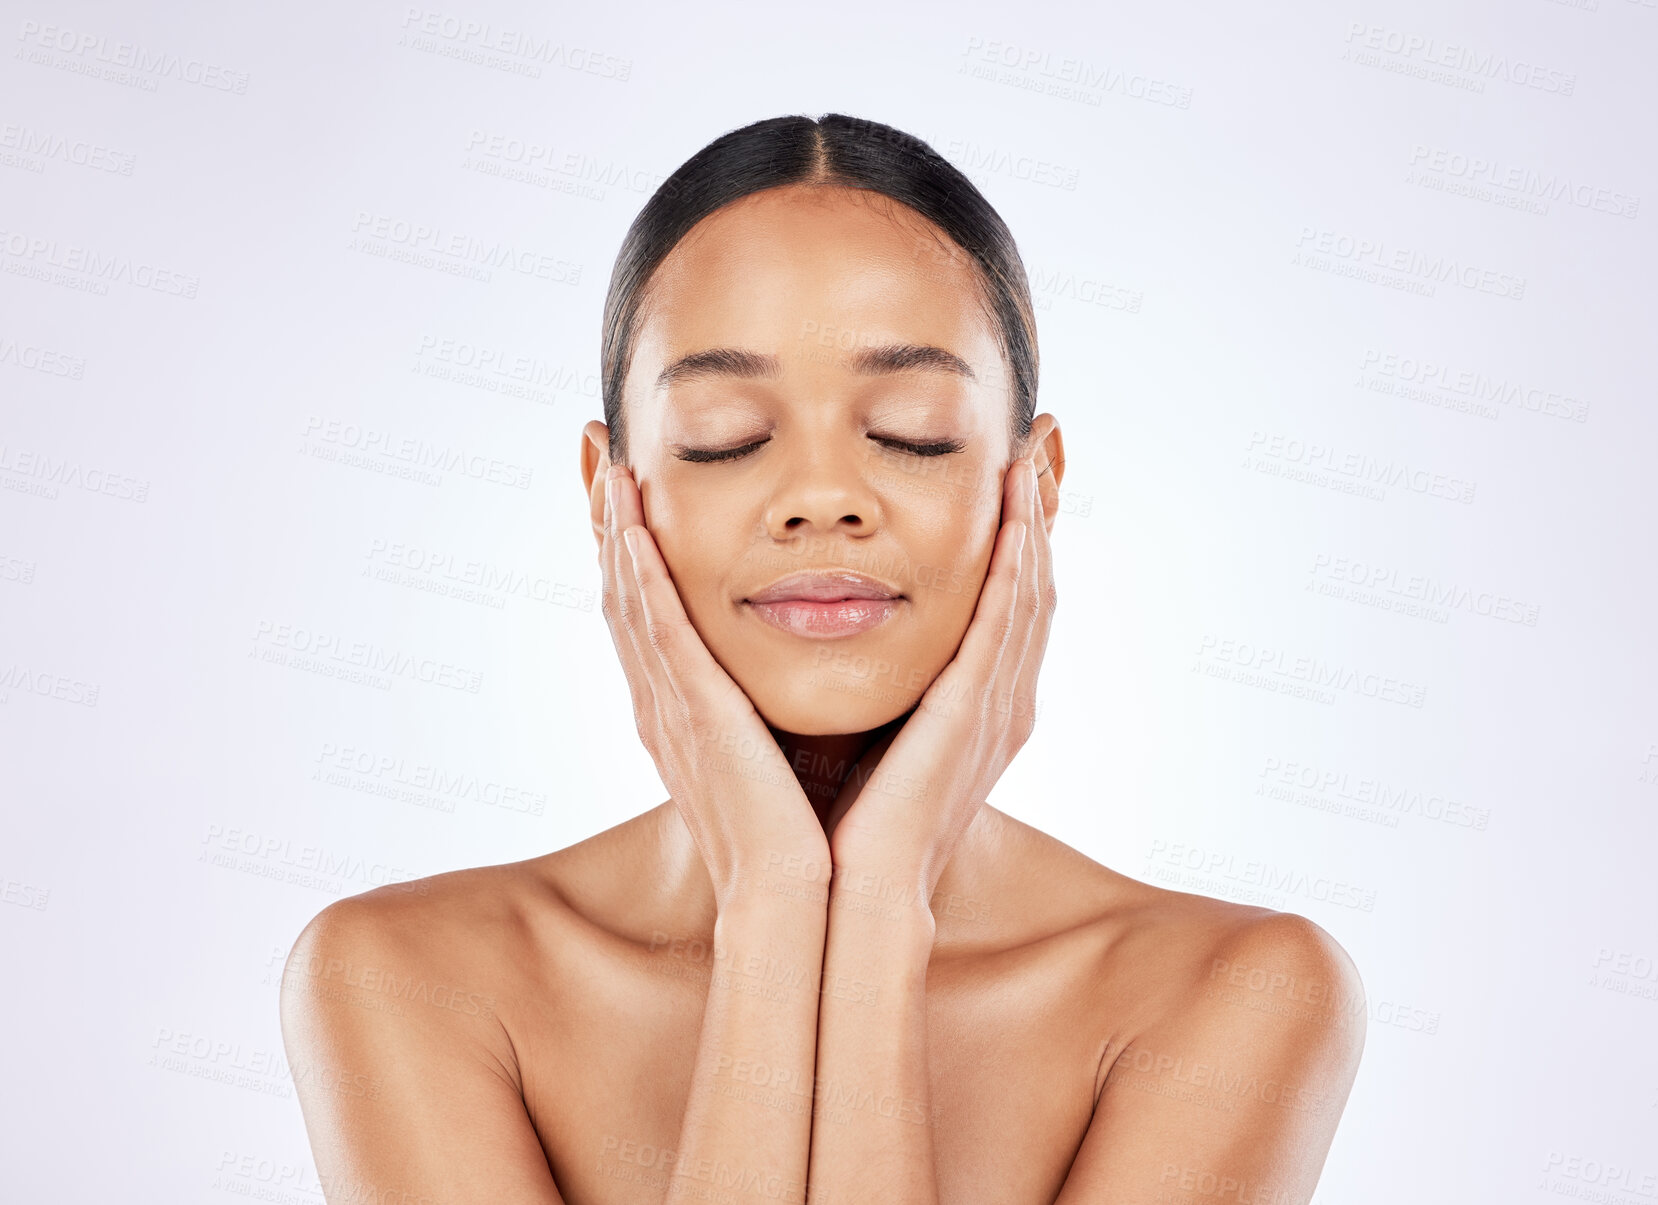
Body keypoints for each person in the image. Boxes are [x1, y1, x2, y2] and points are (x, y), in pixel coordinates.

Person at [280, 113, 1366, 1205]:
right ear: (607, 496)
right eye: (722, 435)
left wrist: (884, 901)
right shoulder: (403, 979)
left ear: (1032, 484)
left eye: (910, 430)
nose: (820, 498)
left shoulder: (1235, 995)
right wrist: (771, 899)